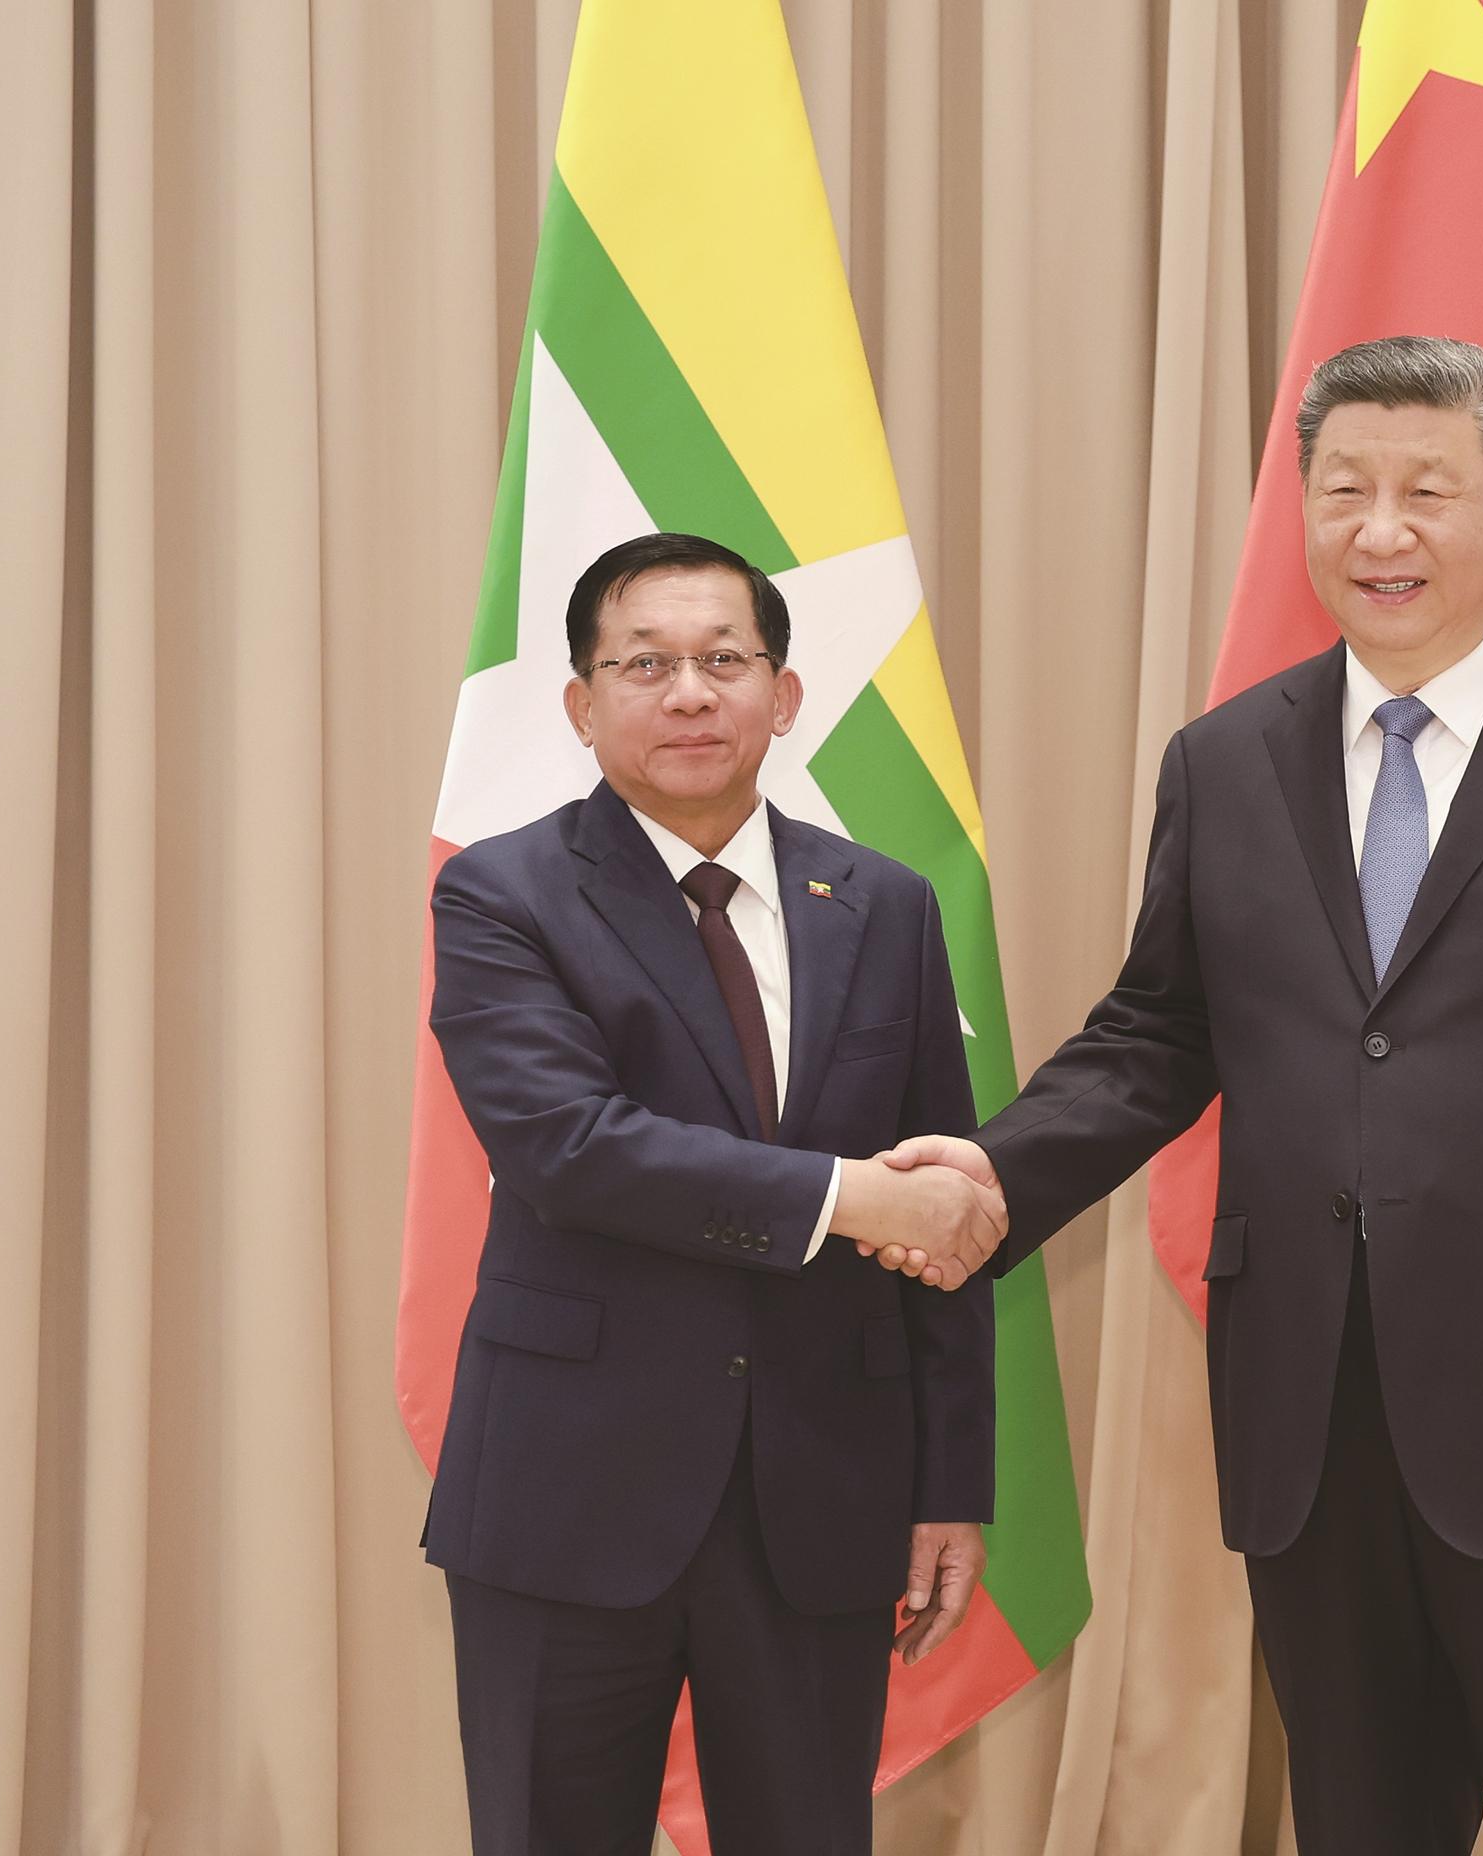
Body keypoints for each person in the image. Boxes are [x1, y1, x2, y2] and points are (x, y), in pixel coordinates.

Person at [870, 336, 1483, 1853]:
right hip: (1312, 1408)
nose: (1381, 531)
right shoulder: (1226, 760)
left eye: (1427, 491)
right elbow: (1157, 1033)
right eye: (1344, 490)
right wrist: (995, 1173)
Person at [423, 530, 1001, 1855]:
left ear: (782, 695)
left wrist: (949, 1483)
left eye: (724, 660)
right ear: (582, 705)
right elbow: (570, 1146)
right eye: (646, 664)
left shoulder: (887, 905)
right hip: (569, 1489)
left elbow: (940, 1201)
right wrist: (847, 1199)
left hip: (823, 1488)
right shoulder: (503, 893)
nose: (689, 693)